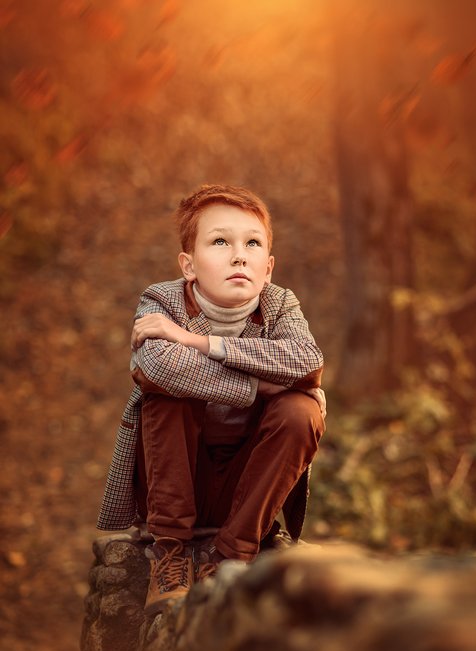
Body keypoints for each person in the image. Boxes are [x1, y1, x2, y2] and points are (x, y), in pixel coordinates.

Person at [97, 184, 326, 615]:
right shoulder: (162, 300)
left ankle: (232, 555)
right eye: (220, 242)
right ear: (189, 265)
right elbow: (158, 367)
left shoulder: (279, 304)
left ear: (268, 267)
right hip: (176, 481)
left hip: (246, 485)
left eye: (252, 243)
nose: (239, 256)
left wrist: (198, 342)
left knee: (301, 409)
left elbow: (306, 362)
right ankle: (169, 555)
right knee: (167, 396)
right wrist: (261, 387)